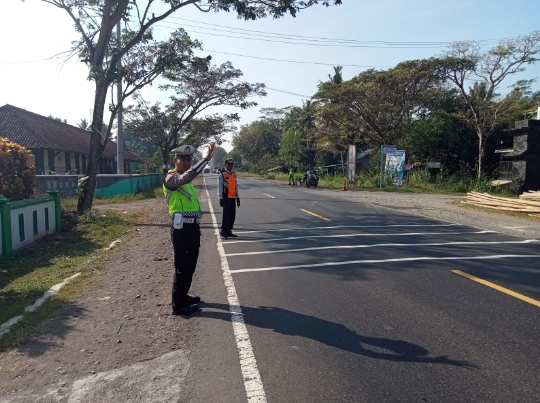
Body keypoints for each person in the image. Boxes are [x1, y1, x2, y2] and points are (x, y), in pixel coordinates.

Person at [163, 143, 215, 316]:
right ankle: (178, 306)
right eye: (183, 159)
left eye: (189, 159)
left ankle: (184, 296)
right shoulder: (171, 178)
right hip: (181, 229)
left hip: (191, 227)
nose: (186, 162)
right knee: (182, 267)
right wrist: (205, 160)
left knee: (190, 265)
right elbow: (184, 178)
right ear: (175, 160)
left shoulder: (187, 180)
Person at [218, 158, 240, 239]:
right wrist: (220, 198)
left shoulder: (234, 174)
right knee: (226, 216)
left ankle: (229, 231)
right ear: (225, 165)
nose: (230, 166)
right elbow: (220, 187)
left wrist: (237, 197)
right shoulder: (222, 174)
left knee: (232, 216)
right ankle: (223, 231)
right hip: (226, 197)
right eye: (229, 164)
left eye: (232, 164)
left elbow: (235, 186)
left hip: (232, 197)